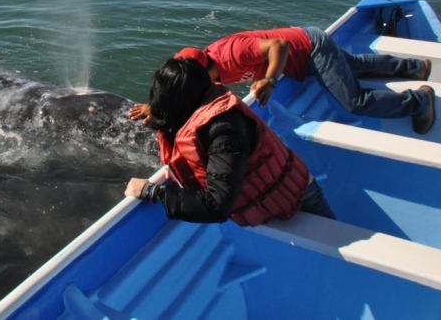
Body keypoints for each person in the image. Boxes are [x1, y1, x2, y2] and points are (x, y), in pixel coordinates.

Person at [125, 57, 335, 225]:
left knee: (334, 259)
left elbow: (217, 206)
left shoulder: (224, 131)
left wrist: (152, 191)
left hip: (300, 197)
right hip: (268, 199)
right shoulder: (205, 103)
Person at [130, 27, 435, 134]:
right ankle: (414, 67)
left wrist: (271, 80)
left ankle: (419, 100)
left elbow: (279, 46)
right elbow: (186, 96)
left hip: (309, 47)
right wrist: (156, 108)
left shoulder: (230, 54)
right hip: (306, 51)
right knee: (352, 65)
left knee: (354, 101)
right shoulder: (207, 75)